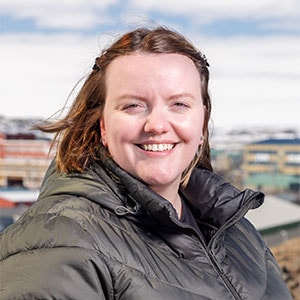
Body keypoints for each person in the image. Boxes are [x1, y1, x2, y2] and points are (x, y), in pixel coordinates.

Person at [0, 26, 292, 300]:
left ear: (202, 122)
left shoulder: (235, 229)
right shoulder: (57, 241)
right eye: (133, 106)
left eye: (179, 104)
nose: (157, 125)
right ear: (102, 126)